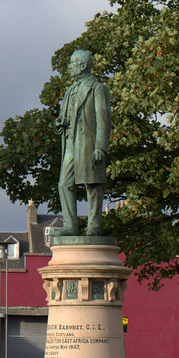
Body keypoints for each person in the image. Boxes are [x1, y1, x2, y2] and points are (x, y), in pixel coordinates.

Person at [55, 49, 111, 237]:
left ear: (83, 65)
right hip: (71, 142)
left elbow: (103, 119)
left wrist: (100, 147)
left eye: (73, 63)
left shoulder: (97, 88)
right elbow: (65, 116)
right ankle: (70, 225)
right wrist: (61, 123)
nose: (69, 67)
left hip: (88, 143)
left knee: (92, 185)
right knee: (64, 184)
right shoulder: (70, 90)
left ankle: (94, 226)